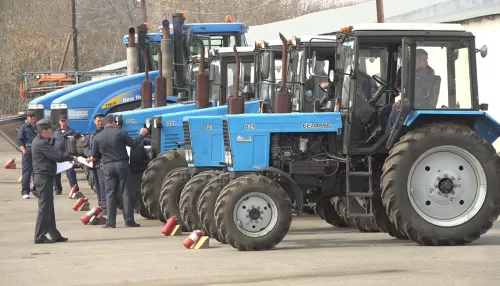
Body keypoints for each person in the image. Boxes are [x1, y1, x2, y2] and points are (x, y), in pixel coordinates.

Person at [87, 115, 148, 228]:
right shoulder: (120, 132)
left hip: (107, 166)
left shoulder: (98, 136)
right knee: (126, 192)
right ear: (113, 122)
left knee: (110, 194)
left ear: (105, 124)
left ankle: (110, 222)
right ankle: (129, 221)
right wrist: (141, 135)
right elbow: (134, 144)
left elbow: (95, 155)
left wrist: (91, 158)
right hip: (122, 164)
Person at [32, 119, 75, 244]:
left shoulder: (41, 141)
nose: (53, 131)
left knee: (48, 208)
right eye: (50, 129)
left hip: (45, 177)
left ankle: (54, 235)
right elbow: (57, 155)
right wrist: (71, 157)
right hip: (43, 178)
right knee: (45, 208)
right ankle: (39, 236)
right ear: (44, 131)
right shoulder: (41, 143)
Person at [384, 49, 435, 134]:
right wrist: (400, 95)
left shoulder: (429, 72)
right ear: (416, 59)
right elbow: (397, 84)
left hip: (420, 103)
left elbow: (424, 91)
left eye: (427, 59)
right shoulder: (404, 69)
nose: (426, 62)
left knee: (395, 109)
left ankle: (390, 138)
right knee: (383, 111)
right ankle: (384, 135)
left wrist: (406, 100)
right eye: (424, 59)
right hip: (406, 99)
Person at [83, 114, 106, 214]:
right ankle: (100, 204)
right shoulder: (91, 135)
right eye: (98, 121)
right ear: (94, 122)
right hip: (93, 164)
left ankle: (105, 207)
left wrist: (95, 156)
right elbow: (85, 147)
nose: (100, 122)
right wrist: (90, 155)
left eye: (101, 120)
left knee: (103, 185)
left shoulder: (106, 134)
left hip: (102, 163)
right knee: (97, 185)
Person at [51, 116, 79, 195]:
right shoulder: (56, 132)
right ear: (59, 122)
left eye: (64, 121)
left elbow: (76, 143)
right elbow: (52, 143)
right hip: (58, 155)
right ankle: (57, 189)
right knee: (56, 173)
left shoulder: (72, 131)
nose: (63, 123)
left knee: (70, 173)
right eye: (61, 121)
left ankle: (74, 189)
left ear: (67, 122)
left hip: (68, 156)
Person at [17, 111, 38, 199]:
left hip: (37, 151)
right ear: (27, 117)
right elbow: (19, 140)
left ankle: (36, 190)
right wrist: (24, 151)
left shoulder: (38, 127)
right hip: (28, 151)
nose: (33, 117)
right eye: (31, 116)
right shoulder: (24, 127)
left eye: (34, 116)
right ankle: (25, 191)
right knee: (27, 172)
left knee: (37, 172)